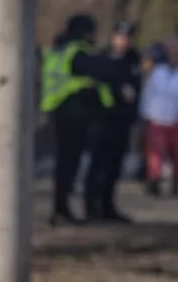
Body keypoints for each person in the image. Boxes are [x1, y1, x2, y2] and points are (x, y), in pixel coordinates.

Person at [40, 14, 116, 225]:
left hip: (58, 111)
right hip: (74, 115)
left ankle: (60, 209)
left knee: (64, 164)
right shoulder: (77, 52)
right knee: (69, 164)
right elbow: (99, 71)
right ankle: (62, 210)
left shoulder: (57, 51)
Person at [83, 21, 142, 222]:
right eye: (121, 37)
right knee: (97, 165)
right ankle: (92, 207)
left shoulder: (133, 60)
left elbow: (137, 86)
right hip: (102, 120)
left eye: (127, 38)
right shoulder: (100, 59)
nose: (124, 41)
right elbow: (97, 85)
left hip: (122, 121)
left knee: (114, 167)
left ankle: (108, 206)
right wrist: (119, 89)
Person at [138, 39, 178, 196]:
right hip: (157, 119)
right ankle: (154, 178)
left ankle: (175, 182)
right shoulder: (158, 72)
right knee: (155, 152)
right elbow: (148, 94)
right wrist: (145, 113)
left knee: (176, 154)